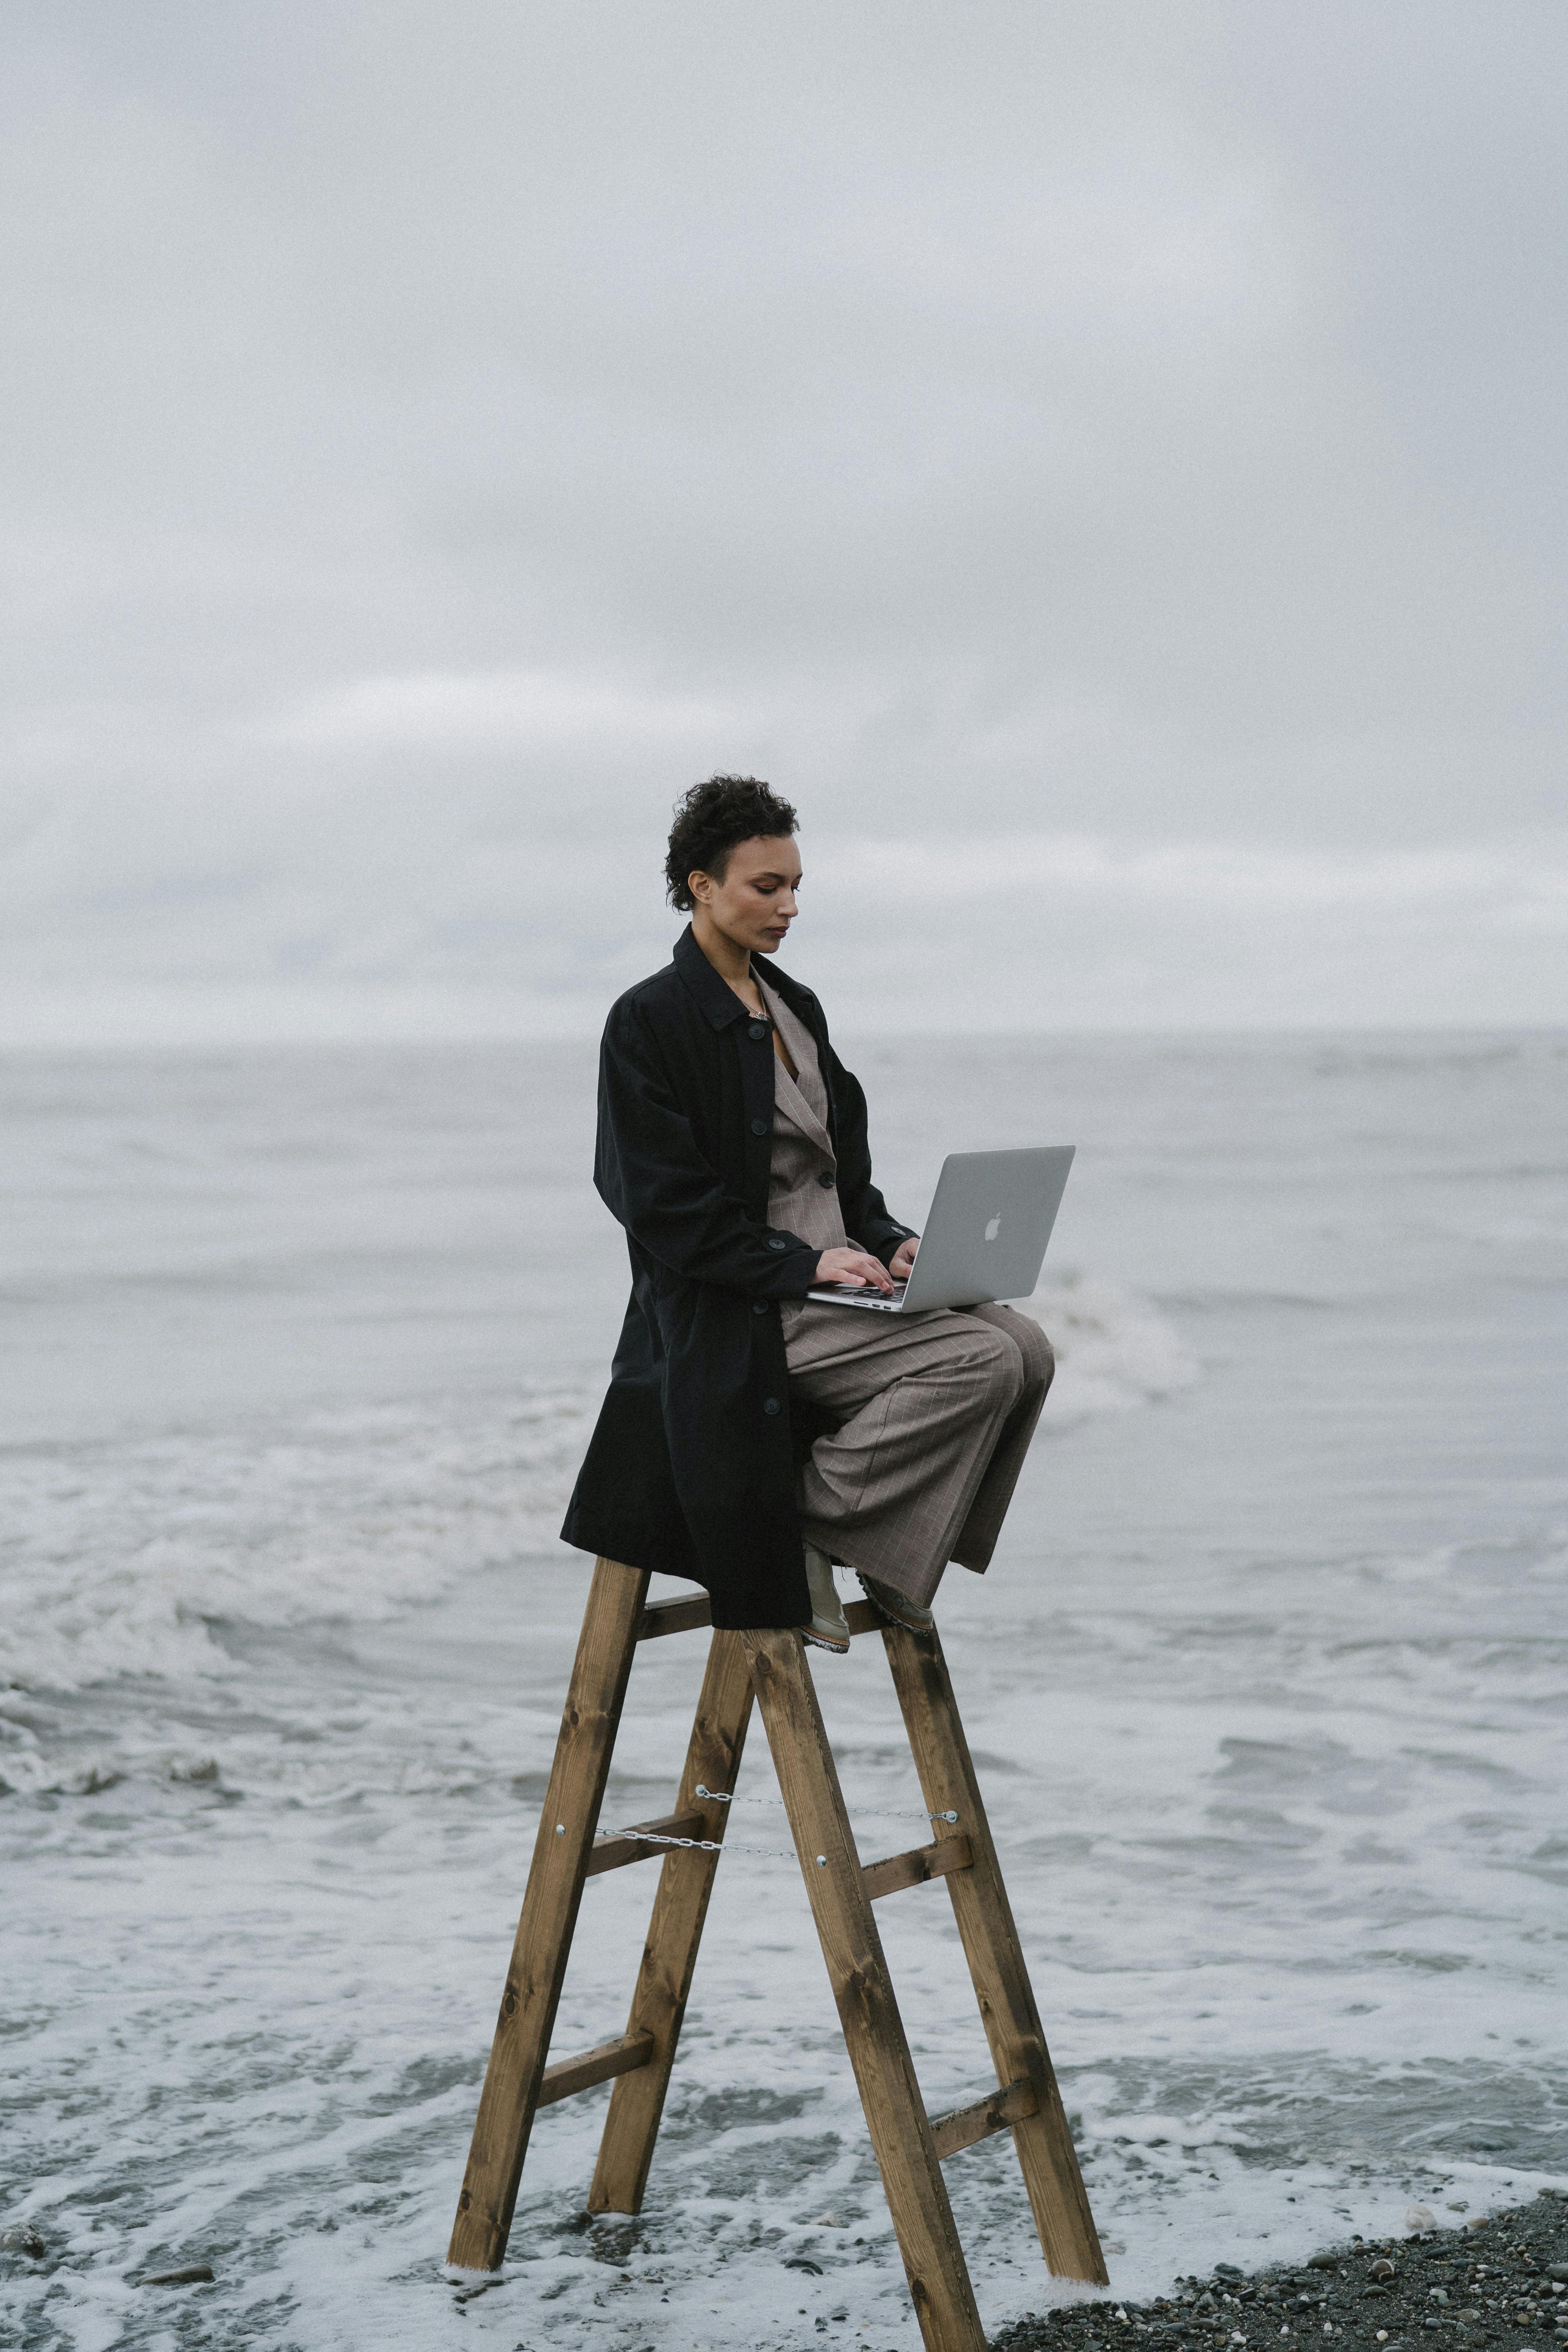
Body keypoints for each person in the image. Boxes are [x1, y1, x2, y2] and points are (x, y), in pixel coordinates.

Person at [560, 775, 1054, 1649]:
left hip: (834, 1287)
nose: (789, 905)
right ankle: (813, 1527)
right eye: (766, 886)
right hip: (738, 1310)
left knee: (1029, 1348)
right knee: (980, 1362)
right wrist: (802, 1265)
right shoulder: (649, 1021)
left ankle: (895, 1551)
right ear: (702, 886)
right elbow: (658, 1205)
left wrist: (895, 1244)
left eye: (796, 885)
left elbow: (845, 1185)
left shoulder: (797, 1007)